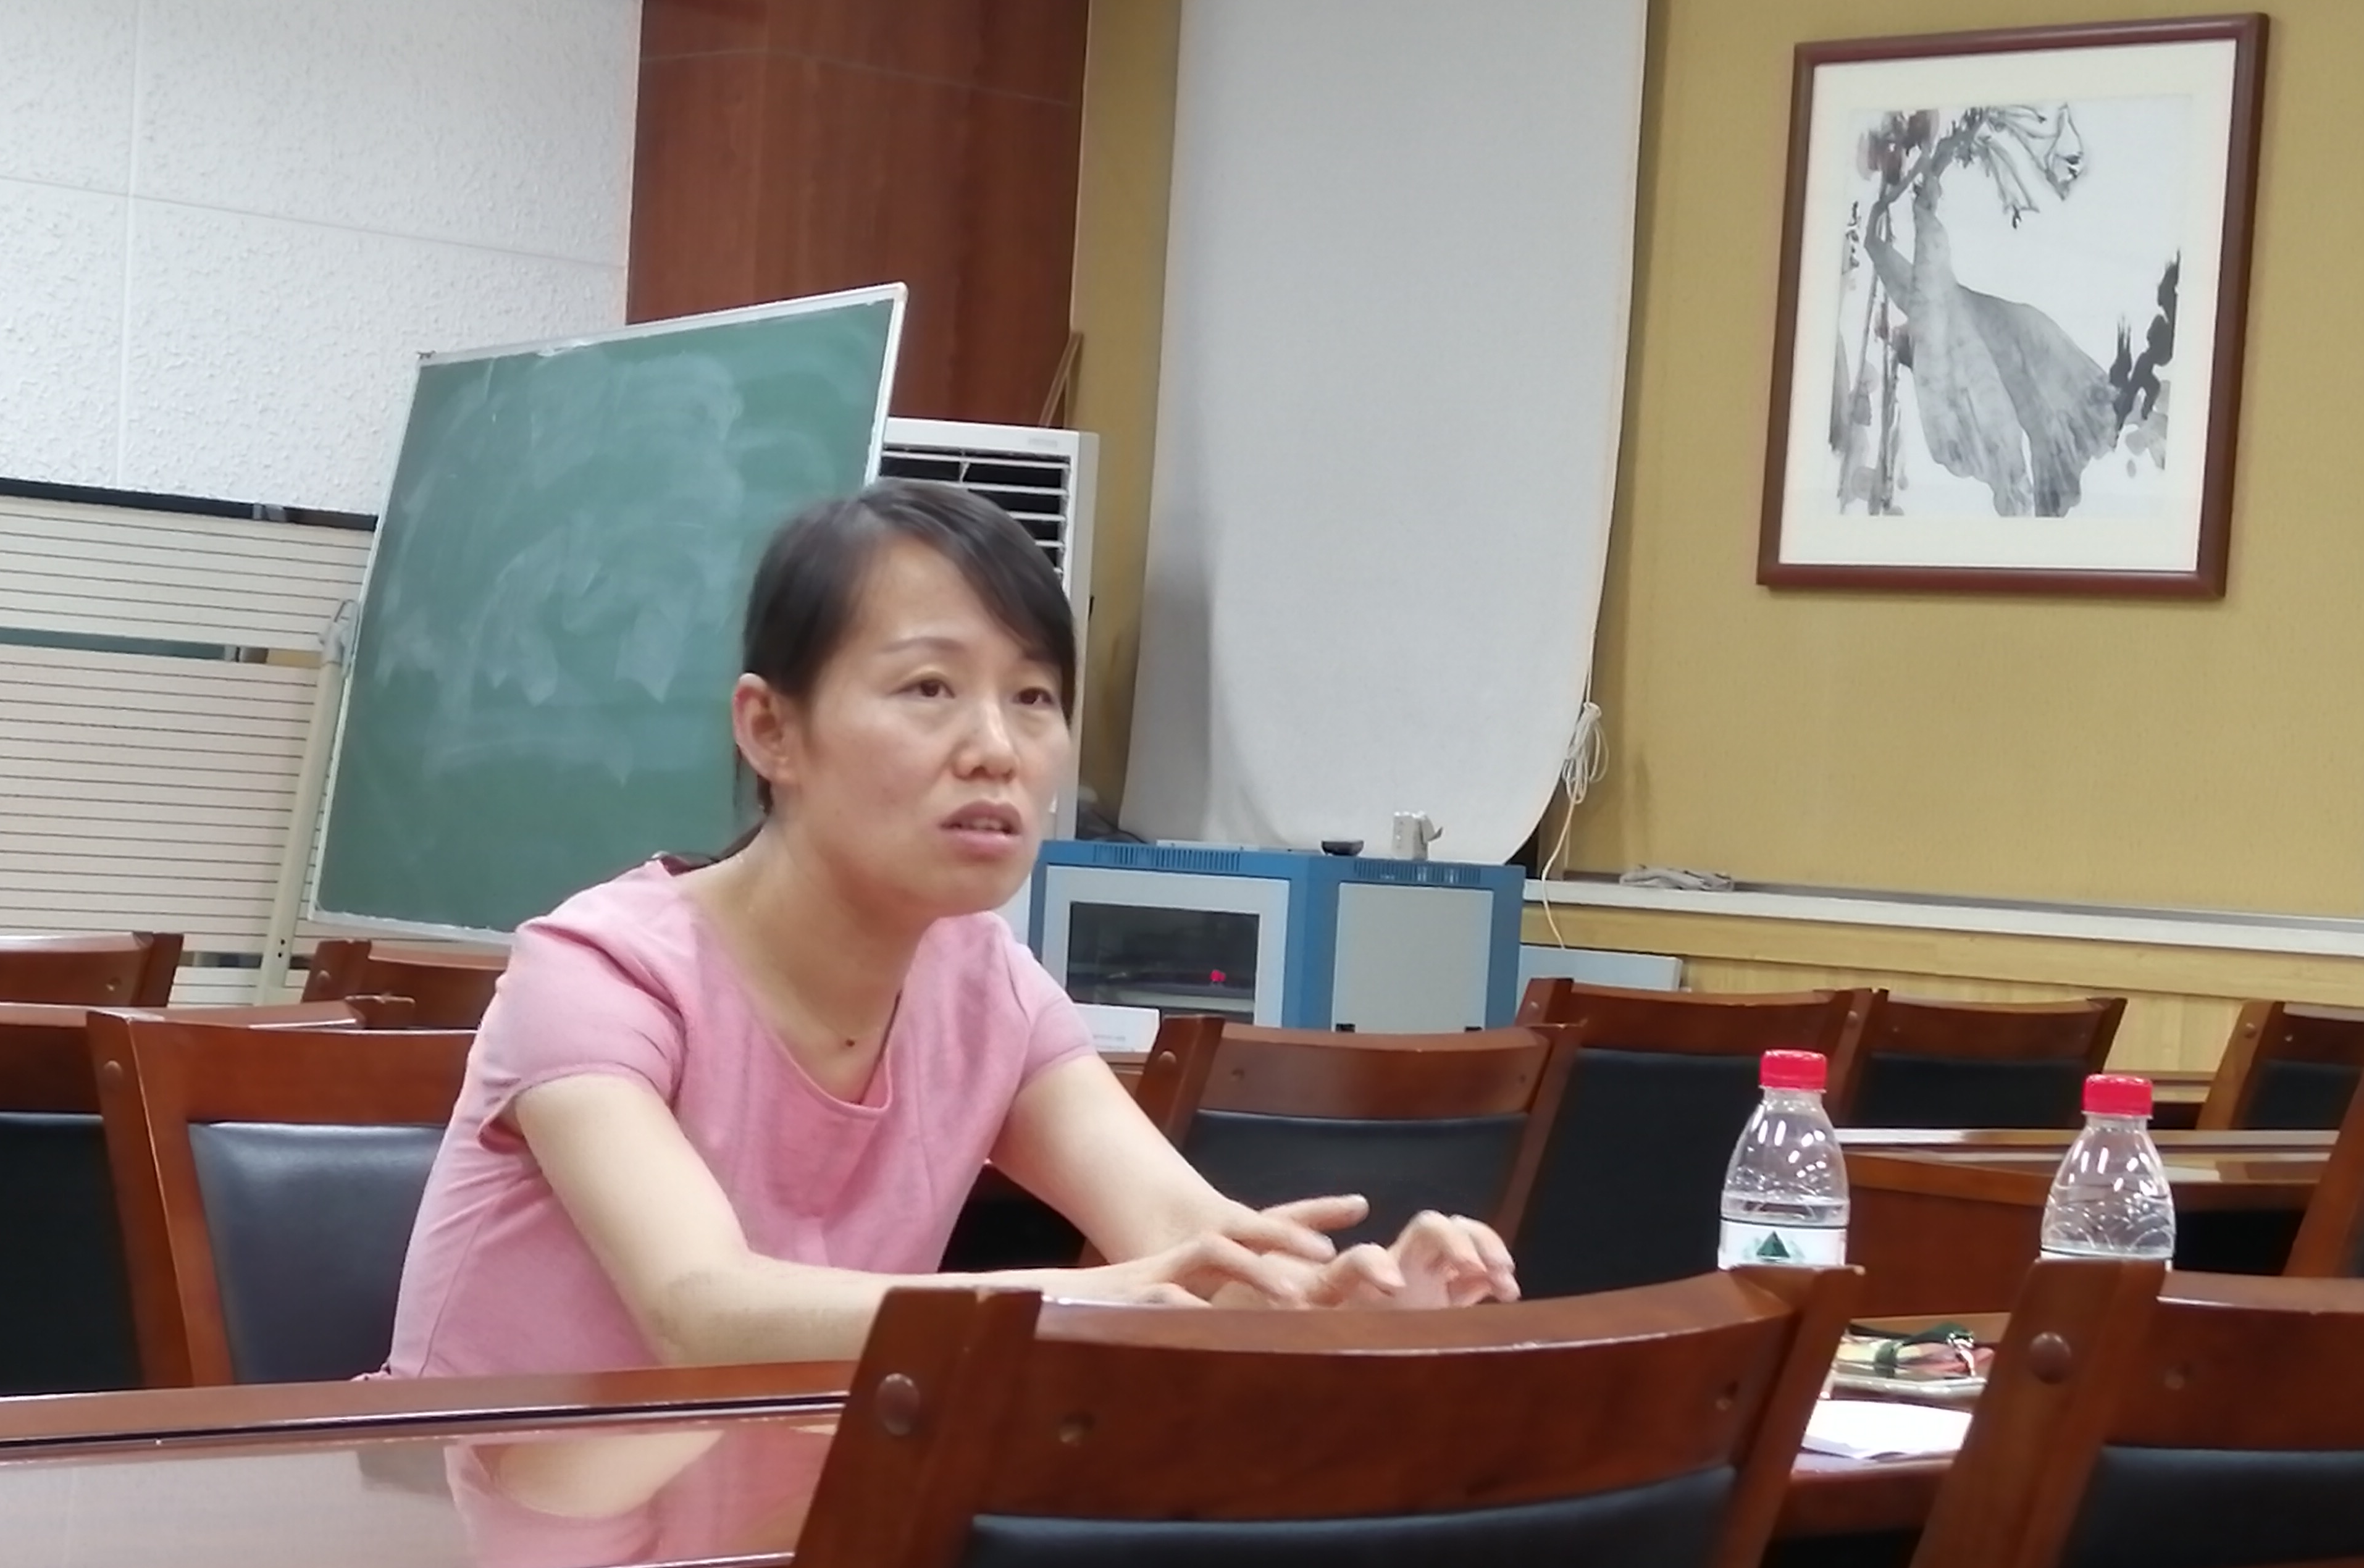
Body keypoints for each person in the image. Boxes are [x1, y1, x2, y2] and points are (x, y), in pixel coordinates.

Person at [380, 480, 1514, 1380]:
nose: (997, 749)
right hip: (471, 1538)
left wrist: (1345, 1302)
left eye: (1033, 698)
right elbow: (702, 1310)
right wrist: (1093, 1296)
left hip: (788, 1535)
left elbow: (1184, 1240)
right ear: (770, 730)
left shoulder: (987, 987)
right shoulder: (600, 974)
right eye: (929, 689)